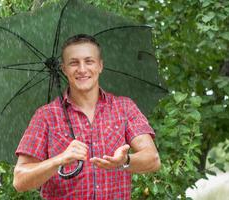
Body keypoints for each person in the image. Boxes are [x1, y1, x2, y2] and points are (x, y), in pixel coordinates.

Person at [13, 34, 161, 199]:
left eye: (89, 61)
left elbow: (152, 159)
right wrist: (58, 160)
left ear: (100, 65)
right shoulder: (46, 116)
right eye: (74, 62)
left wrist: (124, 161)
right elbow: (20, 180)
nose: (82, 69)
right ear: (64, 69)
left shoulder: (124, 108)